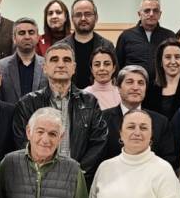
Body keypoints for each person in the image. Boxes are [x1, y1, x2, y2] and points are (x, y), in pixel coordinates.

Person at [11, 41, 108, 176]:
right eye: (54, 60)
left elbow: (98, 142)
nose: (61, 65)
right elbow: (23, 142)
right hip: (39, 177)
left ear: (74, 68)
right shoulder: (27, 103)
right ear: (44, 68)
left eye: (66, 60)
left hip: (79, 177)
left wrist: (76, 172)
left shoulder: (90, 102)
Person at [100, 65, 174, 164]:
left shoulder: (161, 122)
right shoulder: (102, 120)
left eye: (141, 83)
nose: (135, 88)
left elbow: (168, 160)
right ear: (118, 88)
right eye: (129, 82)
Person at [67, 0, 115, 88]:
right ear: (72, 19)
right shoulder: (62, 46)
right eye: (78, 15)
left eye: (88, 14)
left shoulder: (107, 45)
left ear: (96, 17)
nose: (83, 18)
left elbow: (114, 77)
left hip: (99, 96)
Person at [115, 0, 172, 72]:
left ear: (160, 14)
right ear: (139, 14)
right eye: (147, 11)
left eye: (155, 11)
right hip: (133, 79)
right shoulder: (126, 36)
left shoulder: (169, 36)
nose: (151, 14)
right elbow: (118, 64)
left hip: (161, 79)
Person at [145, 39, 180, 121]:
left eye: (177, 57)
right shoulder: (148, 89)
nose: (173, 61)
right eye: (168, 57)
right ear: (161, 61)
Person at [0, 18, 46, 103]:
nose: (27, 37)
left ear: (38, 37)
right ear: (14, 38)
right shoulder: (0, 67)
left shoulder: (48, 65)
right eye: (22, 33)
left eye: (31, 32)